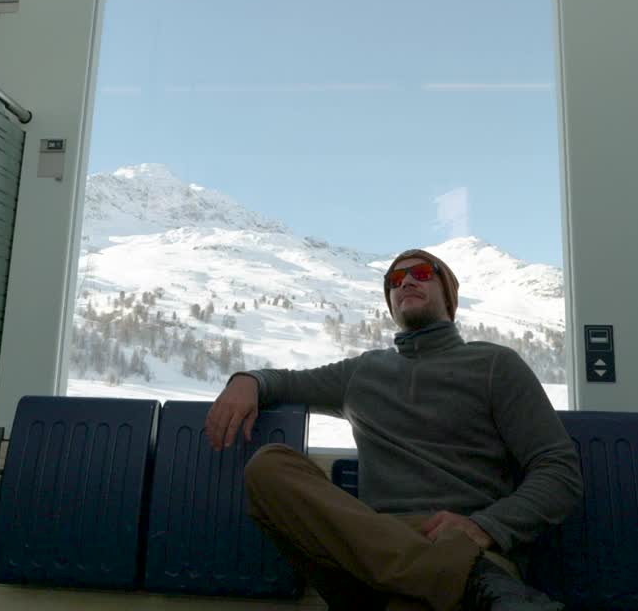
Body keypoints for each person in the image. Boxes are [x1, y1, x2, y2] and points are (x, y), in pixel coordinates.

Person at [204, 248, 583, 611]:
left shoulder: (495, 365)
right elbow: (284, 382)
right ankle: (465, 579)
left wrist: (486, 526)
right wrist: (247, 381)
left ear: (448, 295)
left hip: (462, 542)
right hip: (403, 560)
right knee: (269, 467)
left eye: (421, 274)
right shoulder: (363, 372)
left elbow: (558, 469)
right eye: (395, 279)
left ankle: (450, 575)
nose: (406, 283)